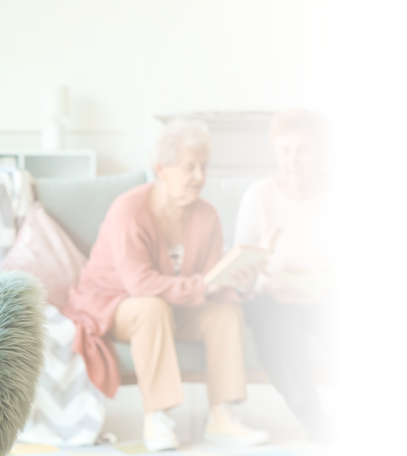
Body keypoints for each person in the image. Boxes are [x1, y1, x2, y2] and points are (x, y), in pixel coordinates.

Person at [67, 120, 269, 450]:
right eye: (190, 167)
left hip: (173, 305)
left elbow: (209, 282)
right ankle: (156, 416)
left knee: (224, 313)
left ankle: (223, 416)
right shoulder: (129, 210)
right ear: (162, 169)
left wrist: (239, 284)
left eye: (204, 166)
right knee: (151, 307)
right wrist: (204, 285)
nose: (200, 177)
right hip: (114, 303)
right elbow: (139, 283)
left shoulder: (207, 215)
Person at [233, 109, 335, 441]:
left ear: (319, 150)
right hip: (276, 301)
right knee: (268, 316)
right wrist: (267, 285)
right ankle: (314, 420)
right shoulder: (259, 196)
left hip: (329, 298)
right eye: (284, 151)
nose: (293, 161)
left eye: (303, 150)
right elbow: (240, 269)